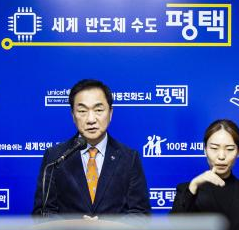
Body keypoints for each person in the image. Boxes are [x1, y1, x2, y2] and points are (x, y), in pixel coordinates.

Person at [32, 79, 150, 217]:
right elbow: (42, 214)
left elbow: (140, 214)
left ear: (110, 113)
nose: (91, 119)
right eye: (82, 111)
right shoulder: (55, 157)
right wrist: (77, 225)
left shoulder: (129, 158)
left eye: (98, 110)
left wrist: (104, 226)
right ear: (73, 116)